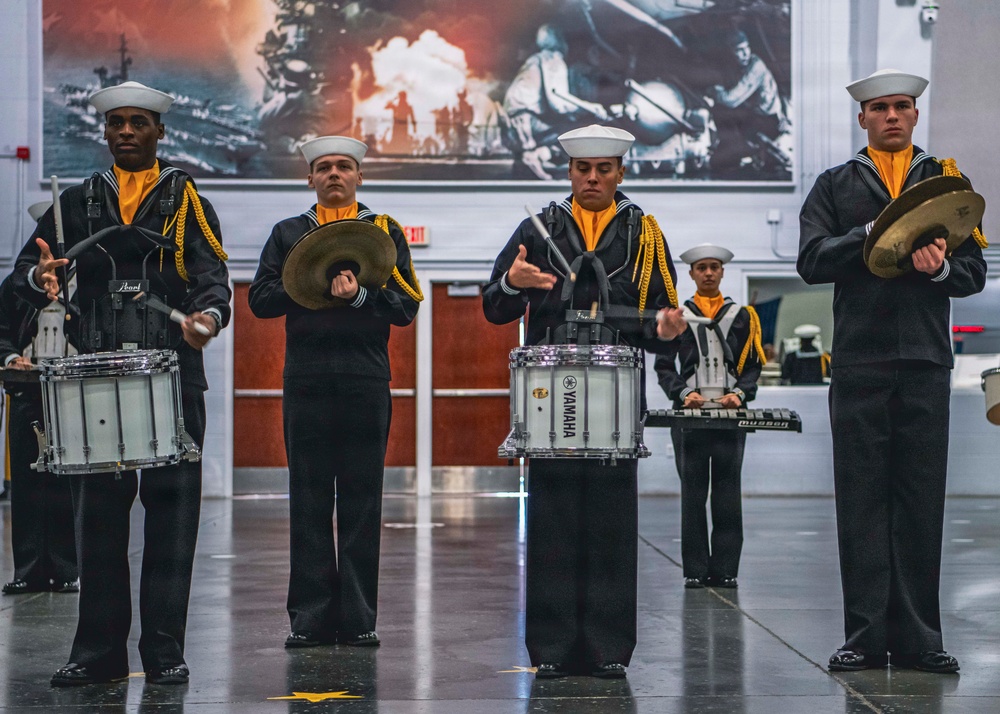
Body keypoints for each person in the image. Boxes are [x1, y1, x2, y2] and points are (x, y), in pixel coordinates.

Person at [11, 81, 232, 686]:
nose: (126, 131)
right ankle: (98, 654)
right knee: (99, 526)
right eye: (116, 123)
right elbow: (25, 273)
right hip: (95, 380)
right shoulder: (74, 203)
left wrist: (209, 318)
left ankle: (164, 653)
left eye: (138, 122)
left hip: (174, 376)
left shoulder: (188, 202)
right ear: (105, 132)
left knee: (172, 522)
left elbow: (214, 279)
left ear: (160, 131)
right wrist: (40, 278)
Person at [797, 69, 986, 674]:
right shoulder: (833, 185)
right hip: (860, 360)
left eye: (902, 106)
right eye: (880, 108)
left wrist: (939, 270)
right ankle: (864, 636)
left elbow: (974, 273)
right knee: (860, 501)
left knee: (920, 501)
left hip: (925, 361)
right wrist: (870, 236)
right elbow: (810, 260)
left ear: (915, 114)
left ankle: (920, 640)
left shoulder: (946, 185)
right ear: (863, 118)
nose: (892, 116)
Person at [483, 124, 687, 679]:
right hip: (551, 395)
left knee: (611, 521)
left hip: (614, 396)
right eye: (582, 169)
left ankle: (608, 647)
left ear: (620, 172)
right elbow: (493, 307)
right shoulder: (538, 228)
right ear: (570, 172)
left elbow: (662, 317)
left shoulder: (644, 233)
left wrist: (666, 328)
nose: (592, 178)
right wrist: (513, 283)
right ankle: (550, 648)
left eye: (603, 169)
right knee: (550, 519)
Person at [248, 136, 422, 650]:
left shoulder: (384, 231)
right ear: (310, 178)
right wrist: (314, 285)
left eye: (344, 166)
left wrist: (362, 295)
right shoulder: (288, 233)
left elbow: (407, 305)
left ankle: (359, 618)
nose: (334, 174)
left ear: (360, 176)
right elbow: (259, 298)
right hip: (306, 380)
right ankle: (309, 618)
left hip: (366, 380)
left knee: (363, 501)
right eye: (324, 167)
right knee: (308, 499)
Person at [654, 244, 765, 590]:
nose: (708, 273)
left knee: (728, 494)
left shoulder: (743, 316)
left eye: (714, 267)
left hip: (731, 414)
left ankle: (726, 569)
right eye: (701, 267)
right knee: (693, 494)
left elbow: (753, 365)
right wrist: (683, 394)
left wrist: (741, 393)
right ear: (691, 274)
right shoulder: (679, 317)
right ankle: (696, 570)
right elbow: (663, 366)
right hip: (690, 416)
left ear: (722, 272)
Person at [0, 204, 78, 596]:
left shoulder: (85, 284)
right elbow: (1, 330)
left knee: (68, 482)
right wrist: (11, 357)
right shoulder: (18, 284)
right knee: (27, 484)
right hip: (27, 388)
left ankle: (66, 569)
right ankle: (28, 570)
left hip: (71, 391)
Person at [502, 24, 608, 179]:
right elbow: (558, 102)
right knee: (580, 132)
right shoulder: (553, 59)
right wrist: (590, 108)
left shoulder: (536, 59)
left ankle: (529, 159)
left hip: (515, 121)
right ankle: (536, 156)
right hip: (526, 121)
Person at [710, 29, 789, 173]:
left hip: (768, 121)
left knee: (720, 110)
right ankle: (744, 149)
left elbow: (731, 101)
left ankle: (753, 149)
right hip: (755, 117)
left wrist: (715, 91)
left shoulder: (756, 66)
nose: (745, 53)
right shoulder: (737, 67)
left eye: (747, 48)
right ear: (731, 52)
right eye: (739, 50)